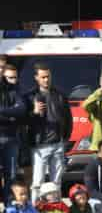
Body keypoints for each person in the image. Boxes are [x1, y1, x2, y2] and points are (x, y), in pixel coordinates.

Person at [27, 63, 72, 202]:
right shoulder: (30, 96)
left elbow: (68, 118)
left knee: (56, 182)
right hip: (40, 146)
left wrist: (65, 137)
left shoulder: (59, 95)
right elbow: (24, 120)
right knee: (37, 182)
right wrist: (34, 113)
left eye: (48, 77)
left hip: (58, 143)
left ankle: (57, 211)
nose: (46, 80)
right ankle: (35, 208)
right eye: (43, 77)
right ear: (36, 78)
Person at [0, 59, 26, 198]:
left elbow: (21, 109)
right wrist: (10, 116)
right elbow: (15, 112)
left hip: (11, 138)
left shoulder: (13, 89)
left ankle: (9, 208)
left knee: (11, 175)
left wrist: (4, 112)